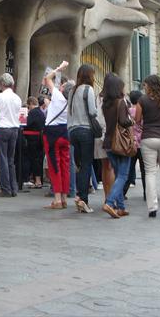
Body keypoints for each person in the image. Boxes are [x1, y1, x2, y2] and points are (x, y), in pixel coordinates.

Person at [135, 74, 160, 218]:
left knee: (150, 172)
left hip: (149, 138)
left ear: (150, 86)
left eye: (145, 85)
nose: (144, 87)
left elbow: (137, 120)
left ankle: (152, 207)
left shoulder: (142, 100)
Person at [101, 72, 132, 219]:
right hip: (120, 143)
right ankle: (109, 202)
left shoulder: (105, 103)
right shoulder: (121, 102)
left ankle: (121, 207)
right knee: (123, 175)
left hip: (108, 142)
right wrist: (132, 121)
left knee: (119, 174)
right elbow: (124, 122)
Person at [41, 62, 72, 210]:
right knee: (65, 165)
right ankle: (65, 198)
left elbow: (48, 78)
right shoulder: (71, 102)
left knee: (54, 165)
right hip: (65, 133)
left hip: (52, 133)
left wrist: (59, 68)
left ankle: (58, 199)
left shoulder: (58, 96)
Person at [67, 64, 97, 213]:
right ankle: (83, 199)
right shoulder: (88, 89)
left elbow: (69, 113)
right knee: (86, 165)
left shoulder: (72, 91)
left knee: (78, 165)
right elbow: (92, 111)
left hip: (73, 131)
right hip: (86, 130)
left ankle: (80, 197)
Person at [123, 90, 145, 200]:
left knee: (128, 169)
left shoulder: (128, 111)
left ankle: (122, 192)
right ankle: (147, 194)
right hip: (143, 143)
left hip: (131, 143)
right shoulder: (144, 111)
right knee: (144, 170)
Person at [24, 96, 45, 188]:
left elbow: (26, 124)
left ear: (31, 104)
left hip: (33, 139)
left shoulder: (33, 112)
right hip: (41, 138)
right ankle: (39, 180)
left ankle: (37, 181)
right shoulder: (41, 112)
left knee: (34, 159)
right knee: (39, 159)